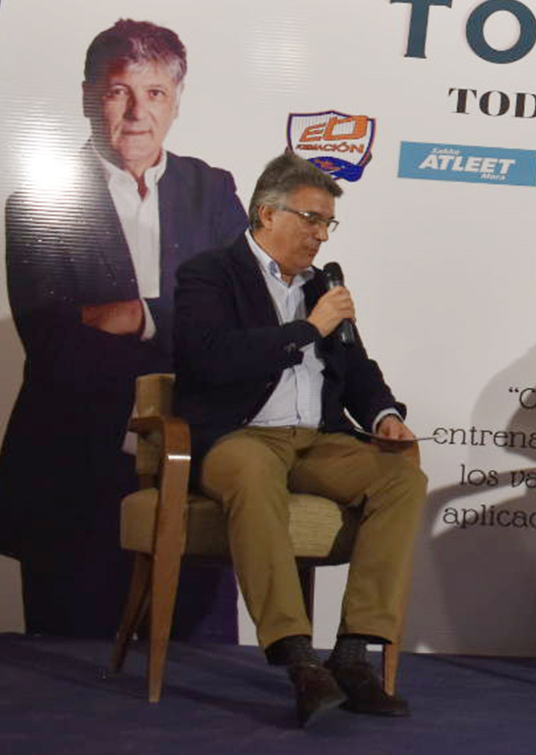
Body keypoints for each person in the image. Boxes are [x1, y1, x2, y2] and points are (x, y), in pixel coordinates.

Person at [0, 19, 249, 637]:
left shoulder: (212, 192)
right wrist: (189, 340)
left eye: (154, 93)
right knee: (67, 690)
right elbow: (56, 348)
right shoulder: (38, 202)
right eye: (117, 91)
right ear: (86, 97)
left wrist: (140, 316)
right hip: (73, 475)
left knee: (199, 684)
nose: (135, 113)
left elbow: (246, 320)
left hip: (194, 472)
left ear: (177, 102)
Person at [173, 149, 426, 727]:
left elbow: (356, 366)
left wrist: (384, 413)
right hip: (241, 435)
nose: (321, 235)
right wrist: (306, 330)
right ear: (266, 214)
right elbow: (208, 358)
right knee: (254, 472)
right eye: (311, 219)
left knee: (400, 477)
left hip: (317, 440)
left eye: (327, 223)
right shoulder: (210, 274)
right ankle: (297, 656)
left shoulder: (323, 286)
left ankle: (355, 651)